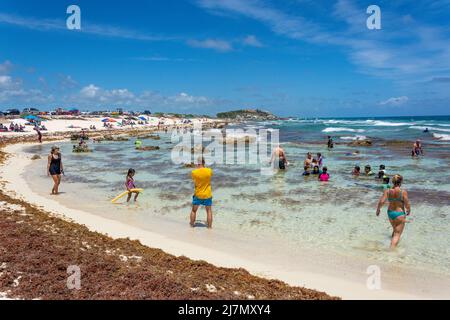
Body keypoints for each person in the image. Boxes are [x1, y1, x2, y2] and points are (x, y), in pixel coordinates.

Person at [376, 174, 411, 249]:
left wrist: (378, 209)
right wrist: (408, 209)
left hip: (390, 213)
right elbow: (407, 203)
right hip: (399, 214)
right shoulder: (403, 192)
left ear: (392, 181)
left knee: (395, 230)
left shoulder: (387, 191)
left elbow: (382, 201)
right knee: (397, 234)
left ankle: (391, 243)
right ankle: (391, 251)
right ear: (401, 182)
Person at [190, 157, 213, 228]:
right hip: (207, 194)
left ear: (198, 163)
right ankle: (209, 227)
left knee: (194, 211)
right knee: (209, 211)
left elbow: (194, 180)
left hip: (198, 194)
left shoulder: (194, 172)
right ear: (204, 162)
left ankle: (192, 225)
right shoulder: (209, 171)